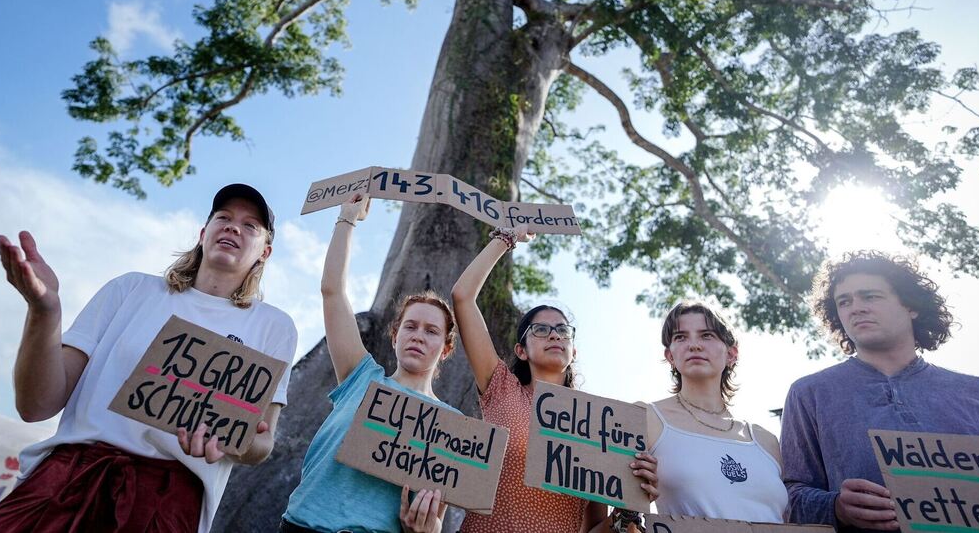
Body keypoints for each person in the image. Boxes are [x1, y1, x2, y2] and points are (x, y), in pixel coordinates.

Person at [0, 183, 299, 533]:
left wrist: (230, 442)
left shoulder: (274, 327)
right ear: (203, 233)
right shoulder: (130, 289)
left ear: (264, 252)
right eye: (223, 217)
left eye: (250, 225)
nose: (232, 226)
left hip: (167, 505)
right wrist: (44, 312)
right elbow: (36, 406)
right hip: (64, 480)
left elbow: (261, 443)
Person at [781, 251, 979, 532]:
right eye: (843, 301)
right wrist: (835, 507)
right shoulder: (810, 394)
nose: (855, 308)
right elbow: (790, 498)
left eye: (870, 296)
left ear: (911, 306)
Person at [452, 226, 659, 533]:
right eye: (541, 329)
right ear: (521, 350)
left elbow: (595, 528)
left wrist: (625, 513)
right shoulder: (501, 387)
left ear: (573, 351)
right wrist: (505, 239)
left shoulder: (594, 427)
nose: (554, 335)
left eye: (563, 330)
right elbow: (463, 297)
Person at [281, 194, 458, 533]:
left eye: (432, 331)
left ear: (445, 349)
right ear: (395, 337)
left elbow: (435, 515)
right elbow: (332, 291)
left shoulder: (452, 424)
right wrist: (346, 219)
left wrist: (427, 530)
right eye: (410, 326)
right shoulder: (360, 377)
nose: (418, 336)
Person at [645, 300, 787, 522]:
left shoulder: (766, 440)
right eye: (681, 337)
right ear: (670, 356)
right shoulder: (648, 418)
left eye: (706, 335)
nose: (694, 345)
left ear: (731, 354)